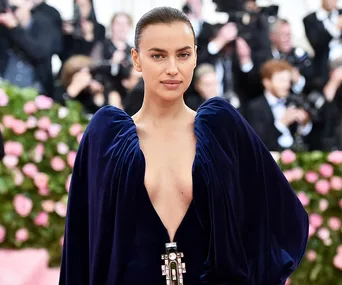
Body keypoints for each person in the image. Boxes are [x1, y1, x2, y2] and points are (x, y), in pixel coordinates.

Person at [59, 7, 308, 285]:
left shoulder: (221, 128)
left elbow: (278, 215)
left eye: (183, 54)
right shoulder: (106, 136)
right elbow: (83, 239)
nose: (172, 69)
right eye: (158, 55)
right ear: (136, 59)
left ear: (195, 57)